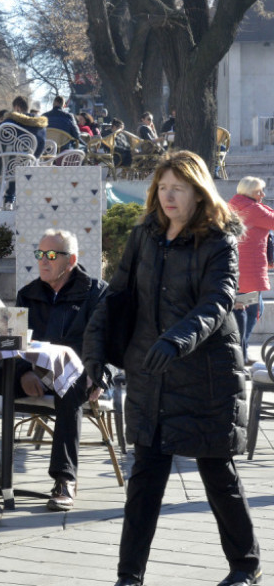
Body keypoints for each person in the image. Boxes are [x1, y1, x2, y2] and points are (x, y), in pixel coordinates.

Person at [83, 151, 260, 586]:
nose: (168, 196)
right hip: (151, 372)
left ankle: (245, 566)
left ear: (198, 193)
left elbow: (217, 301)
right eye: (162, 187)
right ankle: (129, 575)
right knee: (144, 479)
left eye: (177, 188)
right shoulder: (145, 235)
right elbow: (117, 296)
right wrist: (96, 355)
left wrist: (177, 338)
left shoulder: (219, 240)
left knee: (217, 474)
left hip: (207, 376)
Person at [0, 229, 107, 511]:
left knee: (67, 387)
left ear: (70, 260)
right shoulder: (28, 293)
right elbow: (12, 341)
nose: (43, 262)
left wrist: (100, 374)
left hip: (77, 375)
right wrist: (23, 372)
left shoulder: (96, 293)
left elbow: (107, 339)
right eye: (40, 254)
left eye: (50, 256)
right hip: (33, 375)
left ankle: (64, 479)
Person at [229, 176, 274, 360]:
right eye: (259, 192)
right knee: (248, 316)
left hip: (236, 272)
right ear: (249, 193)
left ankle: (242, 353)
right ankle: (240, 357)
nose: (263, 194)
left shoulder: (232, 205)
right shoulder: (254, 210)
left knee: (253, 310)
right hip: (250, 274)